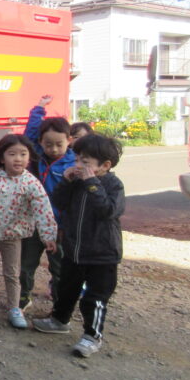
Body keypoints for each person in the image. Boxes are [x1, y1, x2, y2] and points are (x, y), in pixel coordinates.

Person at [33, 134, 125, 358]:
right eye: (77, 159)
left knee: (95, 298)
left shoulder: (113, 184)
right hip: (74, 249)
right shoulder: (75, 182)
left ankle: (92, 336)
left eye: (85, 161)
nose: (78, 165)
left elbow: (108, 211)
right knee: (66, 288)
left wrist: (92, 183)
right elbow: (58, 202)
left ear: (105, 165)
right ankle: (59, 320)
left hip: (103, 254)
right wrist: (66, 181)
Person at [0, 135, 57, 329]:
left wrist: (48, 235)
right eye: (12, 154)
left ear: (29, 157)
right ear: (2, 158)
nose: (18, 159)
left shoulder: (31, 183)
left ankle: (14, 308)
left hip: (13, 237)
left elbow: (43, 209)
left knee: (12, 273)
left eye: (23, 154)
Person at [20, 95, 76, 309]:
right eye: (48, 144)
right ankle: (22, 297)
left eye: (59, 144)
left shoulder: (74, 164)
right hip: (34, 224)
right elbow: (31, 131)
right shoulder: (36, 156)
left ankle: (59, 305)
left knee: (59, 266)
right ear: (40, 142)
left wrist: (65, 226)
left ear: (69, 140)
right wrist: (39, 108)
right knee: (26, 264)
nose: (53, 149)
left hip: (59, 227)